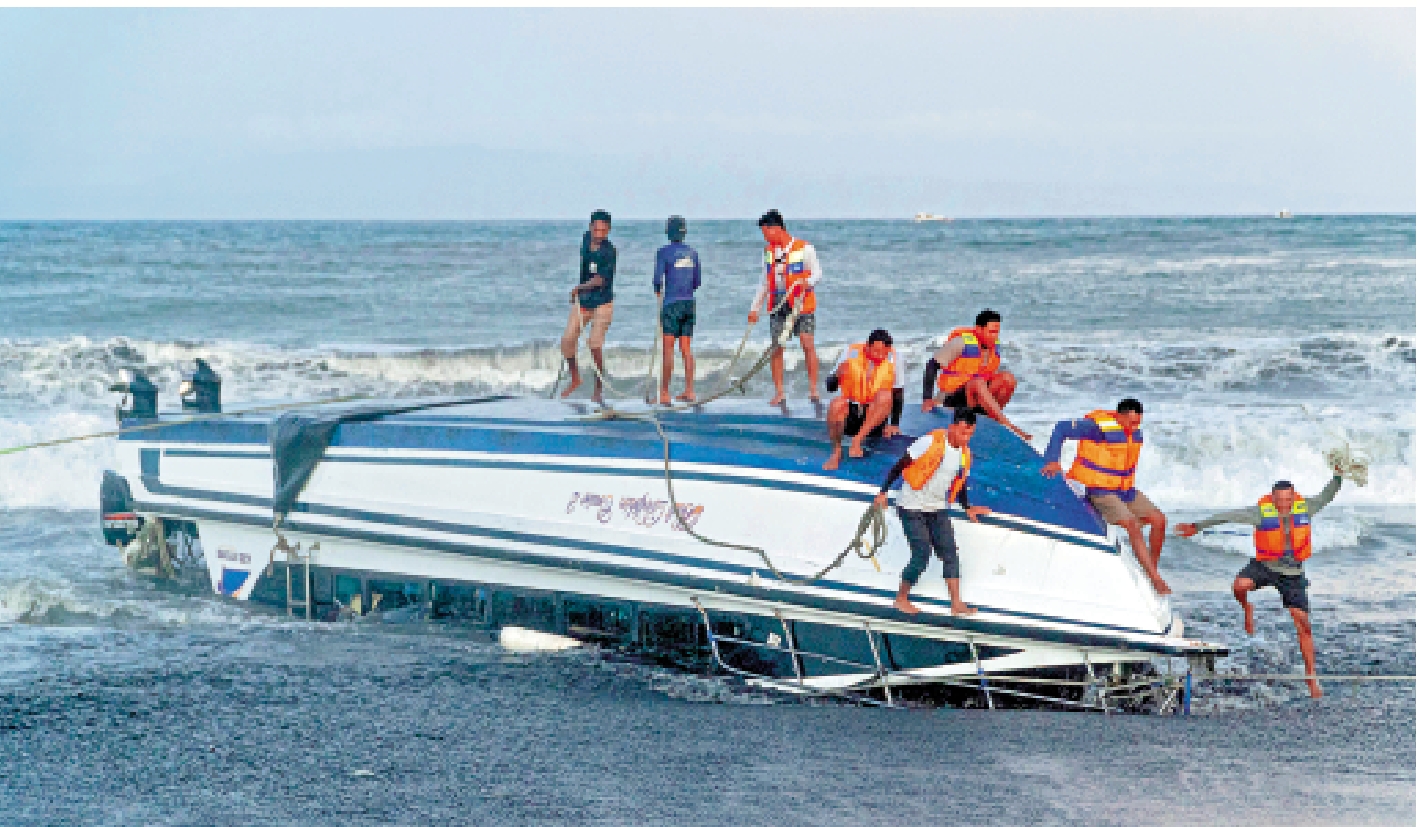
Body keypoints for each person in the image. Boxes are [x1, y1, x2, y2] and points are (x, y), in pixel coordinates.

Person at [1177, 471, 1345, 699]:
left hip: (1292, 575)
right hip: (1265, 567)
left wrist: (1338, 477)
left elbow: (1327, 495)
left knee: (1303, 624)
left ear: (1294, 496)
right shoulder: (1260, 512)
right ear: (1272, 498)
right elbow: (1229, 516)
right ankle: (1247, 607)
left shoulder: (1307, 507)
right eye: (1279, 500)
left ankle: (1311, 677)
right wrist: (1197, 526)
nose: (1284, 505)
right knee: (1239, 586)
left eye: (1288, 499)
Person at [1040, 398, 1170, 595]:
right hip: (1099, 490)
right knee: (1132, 525)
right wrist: (1052, 460)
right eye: (1131, 422)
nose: (1134, 427)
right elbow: (1062, 428)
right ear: (1119, 416)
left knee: (1159, 520)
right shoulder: (1097, 428)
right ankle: (1155, 579)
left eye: (1138, 423)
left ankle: (1151, 570)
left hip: (1124, 490)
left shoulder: (1133, 431)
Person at [873, 408, 991, 615]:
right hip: (911, 506)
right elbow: (900, 465)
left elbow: (960, 481)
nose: (966, 438)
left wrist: (967, 507)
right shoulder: (929, 442)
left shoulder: (964, 454)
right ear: (952, 427)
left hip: (937, 507)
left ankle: (956, 604)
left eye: (970, 434)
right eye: (963, 432)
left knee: (950, 553)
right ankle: (901, 598)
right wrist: (883, 492)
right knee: (922, 552)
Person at [747, 209, 823, 405]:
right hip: (777, 302)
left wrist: (808, 282)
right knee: (777, 347)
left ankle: (813, 390)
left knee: (807, 343)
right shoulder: (768, 252)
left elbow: (817, 273)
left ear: (776, 228)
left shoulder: (804, 248)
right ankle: (780, 392)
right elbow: (764, 282)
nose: (765, 237)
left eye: (766, 232)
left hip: (800, 301)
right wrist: (755, 308)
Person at [921, 309, 1029, 441]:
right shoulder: (961, 342)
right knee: (977, 382)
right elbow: (931, 365)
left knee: (1008, 378)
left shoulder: (994, 346)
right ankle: (1007, 425)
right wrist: (927, 398)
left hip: (975, 398)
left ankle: (990, 422)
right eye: (991, 332)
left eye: (997, 332)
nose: (995, 336)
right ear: (979, 329)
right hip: (950, 399)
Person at [823, 329, 903, 471]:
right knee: (836, 403)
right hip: (851, 416)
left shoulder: (895, 359)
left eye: (884, 353)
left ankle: (857, 440)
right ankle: (836, 452)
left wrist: (894, 424)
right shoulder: (850, 354)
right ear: (867, 345)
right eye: (876, 351)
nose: (880, 356)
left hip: (874, 420)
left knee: (885, 395)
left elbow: (897, 393)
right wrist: (836, 375)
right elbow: (830, 388)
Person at [560, 209, 617, 404]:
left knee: (594, 344)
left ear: (608, 230)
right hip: (584, 301)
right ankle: (575, 378)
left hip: (603, 302)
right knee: (567, 340)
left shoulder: (609, 251)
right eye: (596, 230)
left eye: (604, 231)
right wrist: (580, 292)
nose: (599, 234)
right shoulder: (585, 239)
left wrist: (579, 288)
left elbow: (599, 280)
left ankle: (598, 389)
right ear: (590, 227)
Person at [652, 215, 702, 404]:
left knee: (668, 348)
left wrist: (658, 290)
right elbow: (697, 282)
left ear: (668, 232)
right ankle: (690, 391)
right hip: (689, 303)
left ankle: (664, 393)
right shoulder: (693, 253)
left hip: (671, 303)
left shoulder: (663, 252)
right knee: (686, 348)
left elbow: (657, 279)